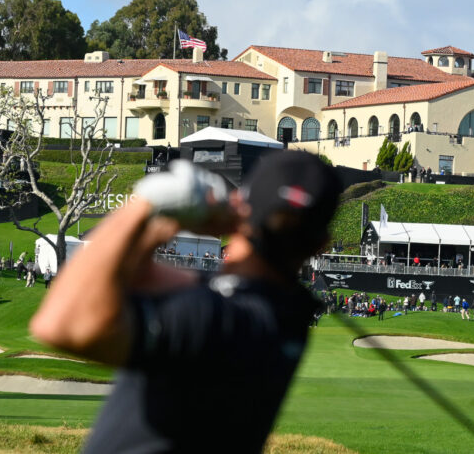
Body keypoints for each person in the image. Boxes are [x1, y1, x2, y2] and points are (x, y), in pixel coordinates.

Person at [30, 151, 342, 454]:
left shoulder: (214, 316)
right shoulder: (280, 317)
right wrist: (164, 224)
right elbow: (135, 278)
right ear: (320, 245)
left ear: (239, 204)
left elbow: (60, 324)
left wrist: (147, 204)